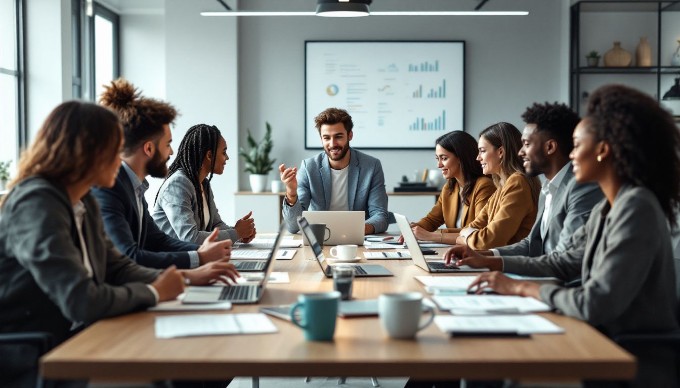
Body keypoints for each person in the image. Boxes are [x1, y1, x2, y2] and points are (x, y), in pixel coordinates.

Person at [452, 84, 679, 385]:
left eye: (576, 145)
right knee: (482, 361)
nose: (570, 154)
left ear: (603, 150)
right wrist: (490, 262)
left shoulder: (636, 207)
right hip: (601, 338)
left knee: (493, 368)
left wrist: (522, 289)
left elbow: (595, 302)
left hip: (629, 354)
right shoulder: (608, 208)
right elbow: (563, 261)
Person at [0, 101, 238, 387]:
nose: (121, 159)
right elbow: (80, 300)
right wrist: (154, 292)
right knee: (188, 373)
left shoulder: (82, 200)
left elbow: (118, 266)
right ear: (89, 151)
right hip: (39, 354)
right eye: (115, 150)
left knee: (206, 361)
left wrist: (183, 279)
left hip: (83, 335)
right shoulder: (37, 203)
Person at [92, 78, 232, 270]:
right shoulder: (111, 189)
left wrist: (202, 254)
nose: (172, 152)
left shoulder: (135, 187)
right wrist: (199, 258)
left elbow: (157, 242)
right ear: (149, 148)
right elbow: (129, 256)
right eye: (167, 144)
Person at [481, 102, 603, 258]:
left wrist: (496, 265)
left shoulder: (580, 187)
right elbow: (532, 244)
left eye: (526, 144)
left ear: (550, 147)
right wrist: (486, 256)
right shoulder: (547, 188)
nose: (520, 152)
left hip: (559, 280)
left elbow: (565, 258)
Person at [417, 123, 540, 249]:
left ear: (501, 152)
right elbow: (473, 227)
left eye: (482, 151)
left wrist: (462, 236)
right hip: (494, 258)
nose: (478, 157)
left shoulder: (516, 183)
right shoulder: (503, 185)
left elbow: (488, 240)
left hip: (508, 263)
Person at [279, 107, 388, 234]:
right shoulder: (309, 167)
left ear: (350, 135)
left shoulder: (371, 166)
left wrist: (357, 230)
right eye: (326, 138)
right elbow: (293, 226)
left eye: (338, 136)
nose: (332, 144)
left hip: (356, 239)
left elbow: (380, 216)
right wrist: (291, 192)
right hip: (320, 238)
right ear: (321, 139)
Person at [152, 123, 257, 244]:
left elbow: (215, 225)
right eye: (224, 152)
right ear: (209, 155)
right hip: (170, 260)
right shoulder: (178, 184)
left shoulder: (203, 183)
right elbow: (191, 238)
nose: (227, 158)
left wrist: (239, 234)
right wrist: (236, 233)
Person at [408, 131, 496, 241]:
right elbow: (432, 220)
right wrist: (413, 229)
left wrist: (434, 235)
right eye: (437, 158)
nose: (439, 165)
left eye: (444, 158)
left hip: (474, 252)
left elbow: (478, 231)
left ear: (461, 158)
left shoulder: (484, 186)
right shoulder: (450, 187)